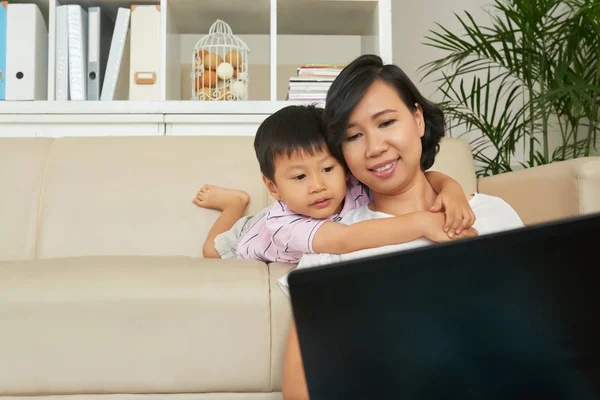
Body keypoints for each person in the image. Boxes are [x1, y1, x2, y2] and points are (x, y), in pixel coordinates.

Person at [280, 55, 525, 400]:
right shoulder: (332, 249)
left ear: (418, 119)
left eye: (386, 123)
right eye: (353, 136)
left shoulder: (493, 216)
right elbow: (299, 390)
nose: (375, 148)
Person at [193, 104, 478, 264]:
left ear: (344, 167)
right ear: (273, 187)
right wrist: (423, 223)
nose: (318, 186)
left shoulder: (352, 183)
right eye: (299, 177)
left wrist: (450, 189)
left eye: (328, 168)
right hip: (252, 232)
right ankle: (234, 204)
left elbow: (418, 177)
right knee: (211, 251)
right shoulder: (282, 226)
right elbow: (344, 239)